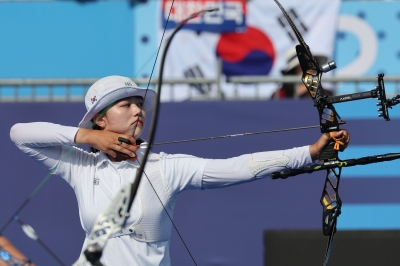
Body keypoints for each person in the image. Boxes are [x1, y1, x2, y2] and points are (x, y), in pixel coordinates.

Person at [9, 76, 350, 265]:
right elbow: (19, 134)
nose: (137, 111)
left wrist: (310, 152)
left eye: (140, 105)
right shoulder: (81, 165)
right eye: (125, 105)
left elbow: (239, 167)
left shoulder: (166, 167)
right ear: (101, 119)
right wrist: (88, 138)